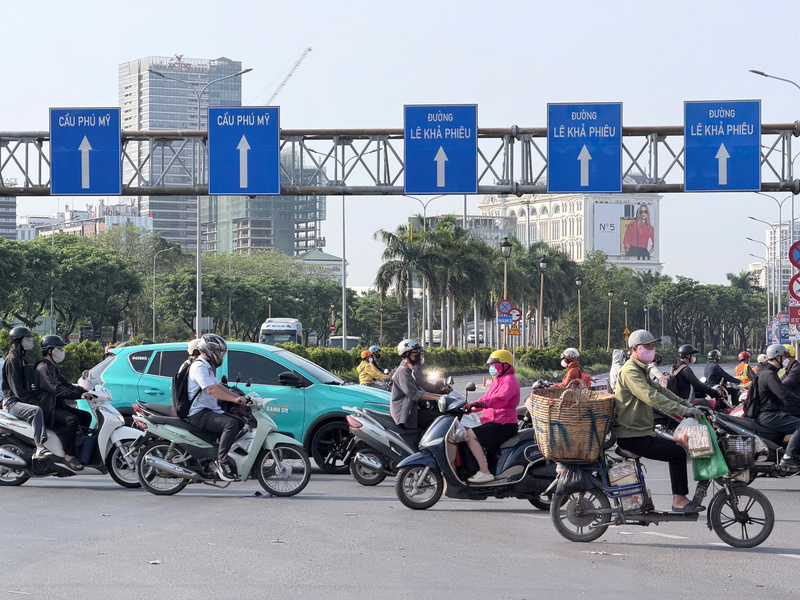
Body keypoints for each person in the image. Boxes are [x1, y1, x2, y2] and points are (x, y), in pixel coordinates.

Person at [614, 329, 704, 513]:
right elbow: (651, 396)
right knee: (677, 453)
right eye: (648, 346)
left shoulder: (641, 370)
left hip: (643, 431)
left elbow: (662, 391)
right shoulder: (630, 371)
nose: (652, 349)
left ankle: (678, 499)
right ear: (635, 349)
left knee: (679, 448)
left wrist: (688, 405)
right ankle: (679, 500)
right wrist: (684, 411)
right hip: (632, 435)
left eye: (653, 346)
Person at [186, 334, 248, 482]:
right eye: (219, 352)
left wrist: (236, 396)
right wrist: (234, 399)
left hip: (208, 410)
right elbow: (211, 390)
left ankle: (213, 453)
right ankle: (221, 462)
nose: (221, 355)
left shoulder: (207, 366)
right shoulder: (199, 367)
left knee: (239, 422)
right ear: (209, 350)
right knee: (231, 424)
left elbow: (218, 386)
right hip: (198, 413)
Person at [34, 335, 93, 470]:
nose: (62, 351)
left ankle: (78, 448)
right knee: (71, 420)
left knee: (86, 416)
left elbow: (65, 384)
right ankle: (68, 455)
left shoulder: (52, 367)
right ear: (49, 351)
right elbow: (55, 388)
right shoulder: (43, 367)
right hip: (48, 410)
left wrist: (84, 391)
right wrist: (78, 395)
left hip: (57, 406)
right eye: (59, 348)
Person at [462, 350, 520, 484]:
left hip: (504, 423)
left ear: (504, 365)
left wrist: (480, 403)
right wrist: (470, 407)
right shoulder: (498, 380)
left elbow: (501, 399)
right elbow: (487, 399)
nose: (491, 368)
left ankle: (484, 471)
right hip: (494, 422)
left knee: (470, 435)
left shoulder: (509, 380)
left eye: (494, 365)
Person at [2, 327, 51, 459]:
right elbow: (17, 389)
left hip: (21, 400)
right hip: (12, 402)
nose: (30, 341)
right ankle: (40, 446)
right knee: (36, 411)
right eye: (27, 339)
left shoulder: (21, 358)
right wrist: (33, 402)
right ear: (18, 341)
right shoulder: (12, 359)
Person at [754, 344, 800, 471]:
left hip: (771, 413)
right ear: (777, 357)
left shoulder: (767, 372)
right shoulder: (769, 374)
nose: (786, 359)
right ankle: (788, 457)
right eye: (784, 356)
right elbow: (784, 394)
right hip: (770, 415)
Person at [390, 339, 445, 435]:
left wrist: (439, 394)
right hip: (405, 414)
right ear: (407, 354)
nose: (419, 356)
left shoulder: (411, 369)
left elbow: (422, 388)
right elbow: (414, 394)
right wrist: (438, 397)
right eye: (416, 353)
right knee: (440, 421)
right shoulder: (403, 371)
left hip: (413, 410)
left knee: (439, 417)